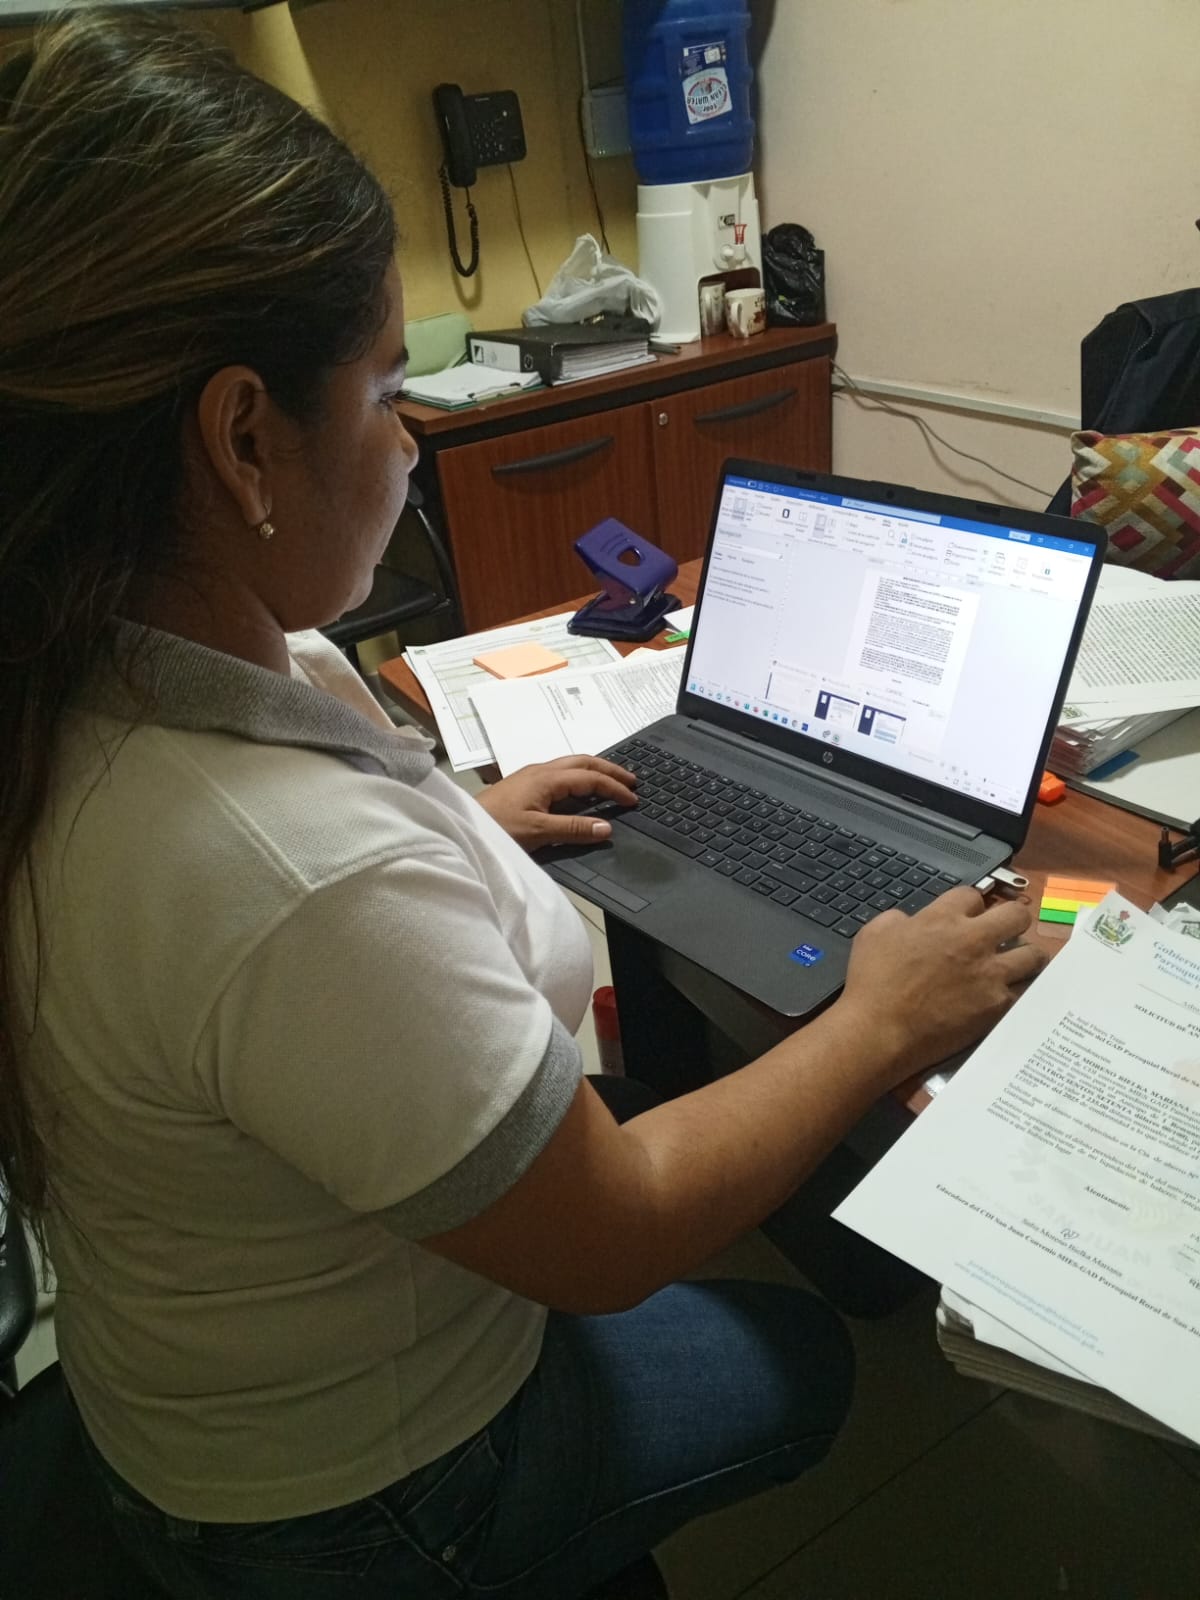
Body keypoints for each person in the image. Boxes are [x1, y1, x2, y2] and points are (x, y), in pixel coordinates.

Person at [0, 13, 1042, 1598]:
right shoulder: (287, 871)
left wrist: (462, 833)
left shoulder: (82, 679)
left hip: (201, 1388)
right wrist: (886, 1017)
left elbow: (250, 967)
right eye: (381, 390)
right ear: (242, 439)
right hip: (370, 1490)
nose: (412, 441)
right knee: (810, 1360)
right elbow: (613, 1237)